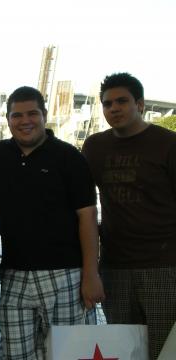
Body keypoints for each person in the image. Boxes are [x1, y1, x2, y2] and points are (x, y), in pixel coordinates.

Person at [0, 86, 105, 359]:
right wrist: (11, 219)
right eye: (17, 115)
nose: (25, 121)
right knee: (14, 353)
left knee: (70, 353)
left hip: (66, 274)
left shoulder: (69, 157)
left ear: (44, 115)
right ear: (8, 119)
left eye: (32, 113)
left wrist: (91, 274)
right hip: (13, 274)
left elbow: (87, 217)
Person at [82, 73, 176, 360]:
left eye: (122, 101)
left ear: (140, 104)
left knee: (165, 350)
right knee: (125, 351)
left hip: (164, 265)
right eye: (107, 103)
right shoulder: (94, 147)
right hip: (114, 267)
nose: (114, 109)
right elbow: (83, 205)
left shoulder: (167, 143)